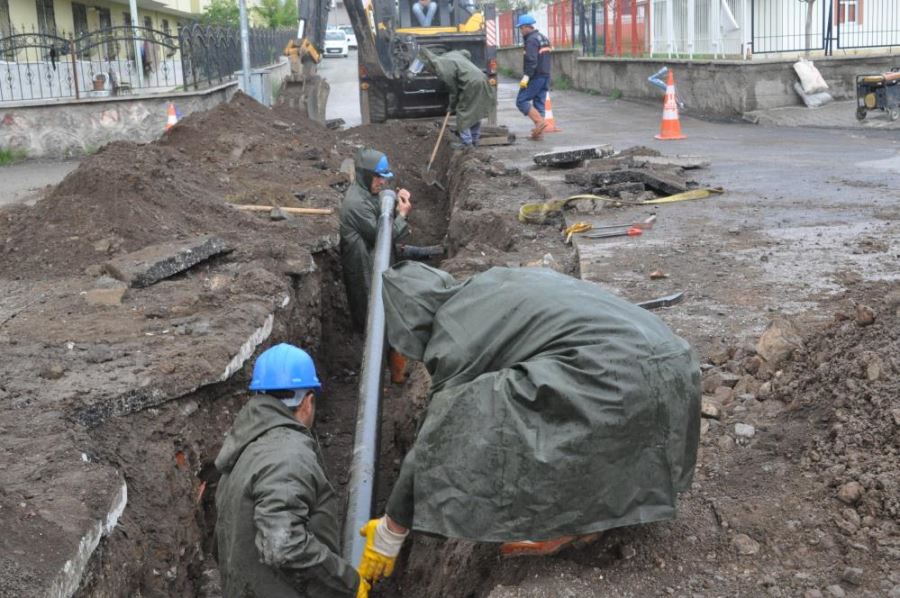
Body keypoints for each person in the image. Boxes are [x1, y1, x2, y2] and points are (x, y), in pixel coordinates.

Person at [357, 262, 700, 582]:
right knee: (550, 397)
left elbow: (439, 434)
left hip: (617, 373)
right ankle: (595, 515)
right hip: (674, 363)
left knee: (480, 409)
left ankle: (563, 523)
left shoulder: (453, 338)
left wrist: (392, 527)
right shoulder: (489, 283)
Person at [214, 343, 368, 598]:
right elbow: (282, 543)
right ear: (308, 402)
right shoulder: (287, 457)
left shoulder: (248, 443)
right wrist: (345, 582)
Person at [340, 148, 413, 383]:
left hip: (375, 270)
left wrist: (393, 195)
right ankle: (382, 380)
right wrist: (402, 216)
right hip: (364, 276)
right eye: (379, 177)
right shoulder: (356, 205)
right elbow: (383, 236)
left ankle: (395, 375)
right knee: (377, 326)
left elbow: (379, 202)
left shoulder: (365, 192)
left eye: (385, 177)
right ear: (364, 175)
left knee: (390, 321)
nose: (382, 182)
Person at [419, 47, 495, 148]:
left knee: (463, 112)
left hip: (471, 83)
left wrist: (451, 106)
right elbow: (466, 52)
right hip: (482, 78)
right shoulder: (450, 56)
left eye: (430, 71)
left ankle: (467, 143)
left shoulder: (443, 71)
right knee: (475, 111)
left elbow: (453, 91)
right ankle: (475, 140)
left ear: (431, 67)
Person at [515, 14, 552, 140]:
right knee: (539, 103)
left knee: (521, 101)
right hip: (545, 75)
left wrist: (526, 77)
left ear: (527, 27)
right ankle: (539, 135)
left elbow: (531, 61)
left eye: (521, 28)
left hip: (535, 76)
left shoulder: (531, 40)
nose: (520, 31)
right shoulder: (543, 38)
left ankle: (540, 123)